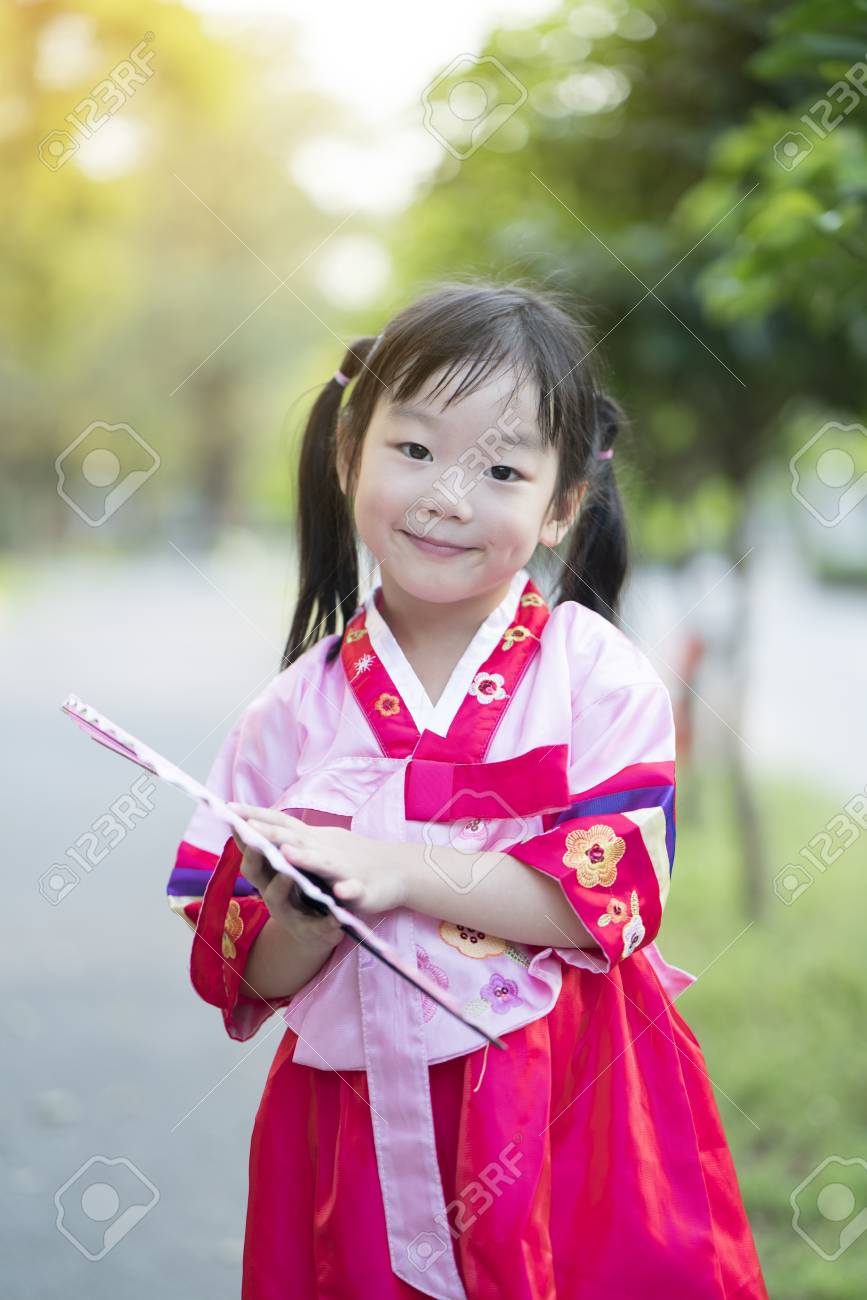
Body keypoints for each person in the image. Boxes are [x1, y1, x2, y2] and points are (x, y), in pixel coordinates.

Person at [167, 280, 769, 1299]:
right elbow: (242, 970)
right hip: (353, 1118)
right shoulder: (291, 713)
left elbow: (603, 905)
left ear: (561, 504)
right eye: (415, 451)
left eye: (500, 468)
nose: (450, 495)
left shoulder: (598, 676)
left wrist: (397, 869)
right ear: (350, 453)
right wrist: (302, 913)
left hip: (574, 1100)